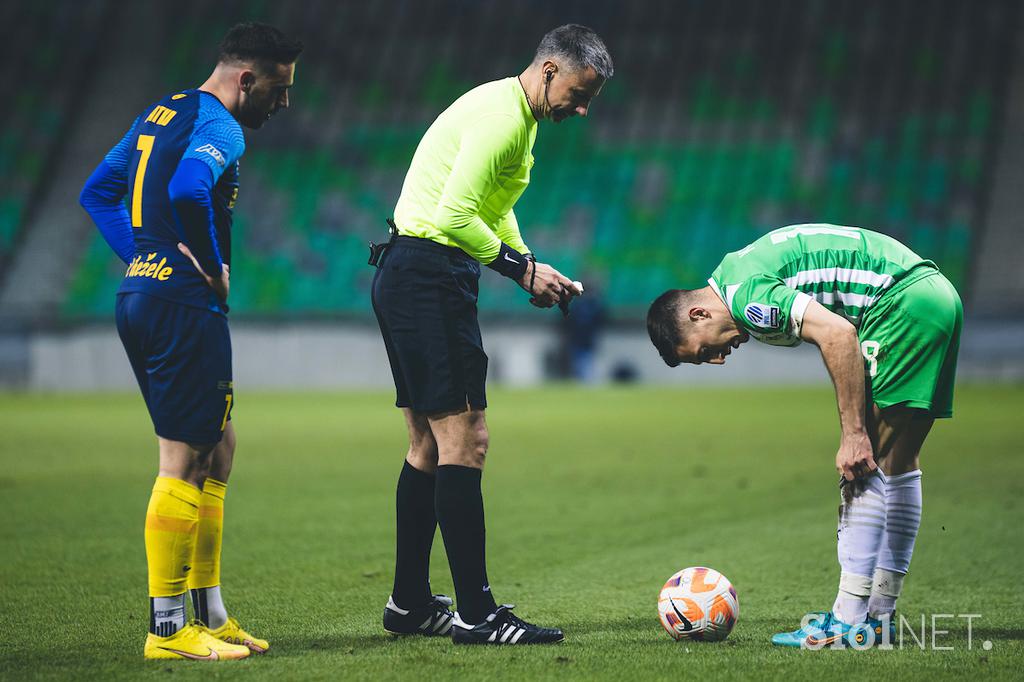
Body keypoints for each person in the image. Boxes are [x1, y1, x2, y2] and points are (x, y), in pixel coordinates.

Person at [370, 24, 612, 645]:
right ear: (551, 70)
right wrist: (519, 269)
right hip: (428, 274)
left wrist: (530, 264)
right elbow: (454, 214)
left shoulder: (511, 114)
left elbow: (488, 206)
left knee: (428, 445)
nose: (581, 110)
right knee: (466, 439)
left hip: (411, 271)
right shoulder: (505, 120)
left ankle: (408, 604)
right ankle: (477, 614)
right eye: (579, 94)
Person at [79, 22, 301, 660]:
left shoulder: (162, 111)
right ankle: (169, 630)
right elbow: (186, 188)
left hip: (144, 295)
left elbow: (97, 192)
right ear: (246, 79)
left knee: (219, 447)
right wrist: (210, 266)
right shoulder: (222, 126)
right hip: (183, 302)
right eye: (278, 90)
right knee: (182, 461)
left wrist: (142, 256)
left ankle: (210, 613)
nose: (283, 104)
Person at [646, 223, 962, 649]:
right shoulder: (739, 274)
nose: (718, 359)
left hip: (900, 305)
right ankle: (881, 616)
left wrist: (853, 434)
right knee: (899, 463)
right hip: (934, 295)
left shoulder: (747, 296)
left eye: (705, 351)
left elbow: (838, 334)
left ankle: (849, 621)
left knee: (861, 465)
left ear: (697, 314)